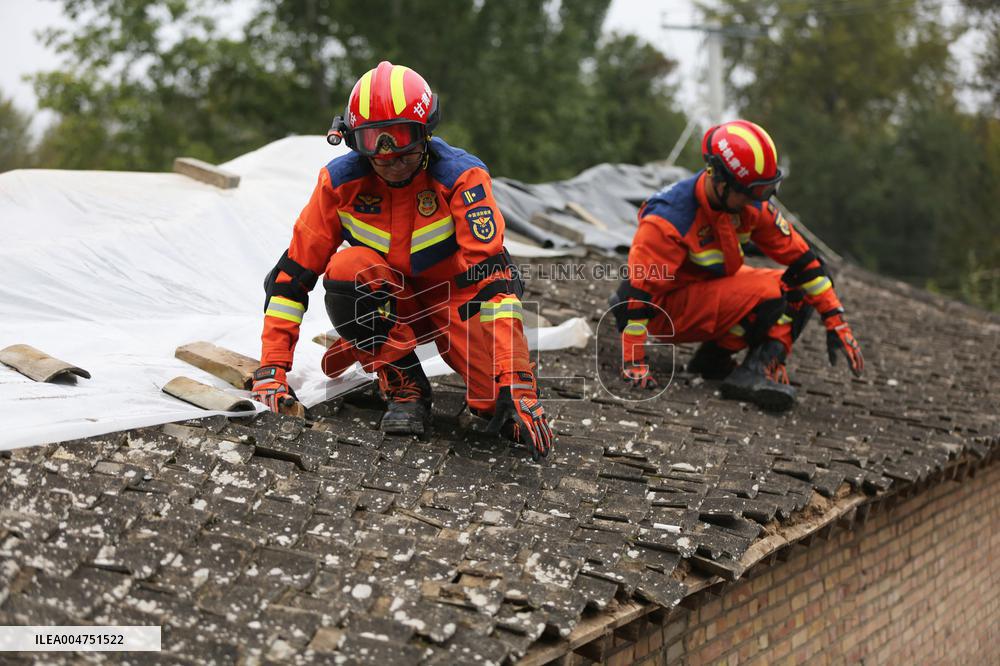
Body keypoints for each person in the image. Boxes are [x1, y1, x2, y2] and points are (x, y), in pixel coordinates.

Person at [251, 61, 553, 458]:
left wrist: (517, 378)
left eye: (401, 137)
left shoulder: (461, 178)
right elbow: (291, 279)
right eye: (375, 140)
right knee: (344, 271)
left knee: (495, 405)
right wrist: (272, 368)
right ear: (352, 139)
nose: (390, 154)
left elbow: (494, 284)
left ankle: (497, 390)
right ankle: (403, 385)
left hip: (459, 301)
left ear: (425, 131)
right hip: (393, 302)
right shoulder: (339, 184)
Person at [610, 120, 863, 411]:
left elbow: (804, 261)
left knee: (807, 279)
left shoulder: (746, 202)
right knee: (781, 293)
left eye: (763, 191)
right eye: (750, 192)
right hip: (665, 309)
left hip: (703, 288)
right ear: (719, 179)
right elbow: (641, 294)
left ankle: (713, 361)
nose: (755, 201)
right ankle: (754, 373)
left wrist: (835, 319)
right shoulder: (668, 219)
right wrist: (634, 362)